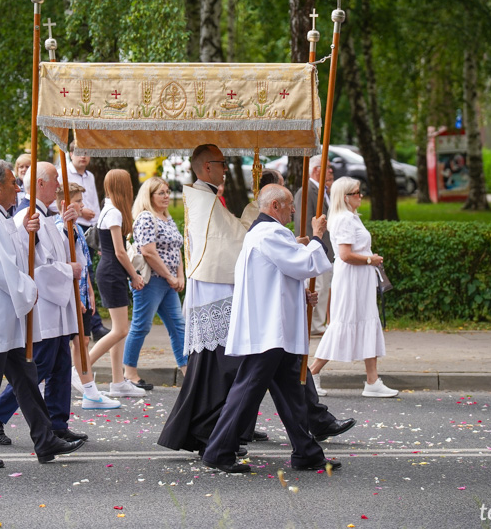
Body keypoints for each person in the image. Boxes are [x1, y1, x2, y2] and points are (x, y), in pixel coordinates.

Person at [159, 144, 354, 455]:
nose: (225, 168)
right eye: (221, 163)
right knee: (247, 387)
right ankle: (220, 445)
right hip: (241, 306)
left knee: (276, 383)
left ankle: (304, 445)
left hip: (261, 314)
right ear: (206, 167)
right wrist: (312, 239)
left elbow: (264, 259)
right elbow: (244, 243)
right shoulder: (248, 223)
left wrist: (295, 257)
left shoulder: (217, 204)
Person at [0, 159, 83, 469]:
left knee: (26, 378)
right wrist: (29, 289)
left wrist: (25, 232)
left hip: (5, 316)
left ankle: (44, 437)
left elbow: (12, 255)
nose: (18, 189)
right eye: (14, 184)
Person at [202, 184, 337, 474]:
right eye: (288, 205)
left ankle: (306, 452)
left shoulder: (263, 234)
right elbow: (303, 263)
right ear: (274, 205)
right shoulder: (271, 233)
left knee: (292, 393)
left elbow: (275, 277)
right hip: (268, 331)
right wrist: (317, 236)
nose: (292, 210)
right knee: (248, 390)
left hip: (273, 329)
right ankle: (218, 451)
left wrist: (300, 294)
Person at [0, 162, 89, 446]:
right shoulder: (27, 218)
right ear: (40, 184)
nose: (59, 185)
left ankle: (58, 422)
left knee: (59, 364)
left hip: (58, 305)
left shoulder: (47, 216)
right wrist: (70, 271)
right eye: (55, 179)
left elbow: (63, 253)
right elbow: (36, 268)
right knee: (41, 366)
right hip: (43, 306)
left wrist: (68, 225)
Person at [309, 177, 398, 398]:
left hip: (357, 279)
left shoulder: (348, 217)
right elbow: (345, 254)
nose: (360, 195)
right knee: (343, 323)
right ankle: (311, 374)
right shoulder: (346, 219)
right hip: (352, 279)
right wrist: (371, 260)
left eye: (359, 191)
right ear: (345, 196)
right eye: (356, 192)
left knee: (364, 321)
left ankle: (372, 380)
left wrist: (369, 261)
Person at [59, 183, 121, 410]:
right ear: (65, 203)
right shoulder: (60, 228)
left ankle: (89, 391)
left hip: (81, 295)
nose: (82, 206)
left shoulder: (74, 227)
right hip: (68, 297)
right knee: (73, 344)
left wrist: (90, 293)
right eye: (78, 201)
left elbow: (83, 266)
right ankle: (88, 391)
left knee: (82, 342)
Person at [86, 169, 147, 398]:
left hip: (110, 271)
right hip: (113, 272)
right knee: (121, 329)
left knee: (118, 330)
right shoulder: (114, 213)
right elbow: (120, 252)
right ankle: (82, 369)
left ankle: (118, 382)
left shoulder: (108, 210)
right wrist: (134, 275)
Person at [123, 177, 187, 388]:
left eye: (168, 192)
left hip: (168, 282)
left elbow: (176, 248)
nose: (167, 196)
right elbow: (148, 252)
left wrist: (180, 275)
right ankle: (129, 373)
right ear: (149, 196)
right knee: (141, 325)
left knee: (178, 325)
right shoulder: (146, 218)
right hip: (152, 281)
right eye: (161, 193)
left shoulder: (166, 218)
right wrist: (170, 276)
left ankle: (188, 371)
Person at [59, 149, 107, 339]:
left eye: (87, 152)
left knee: (87, 272)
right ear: (70, 154)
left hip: (87, 227)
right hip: (73, 222)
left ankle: (91, 322)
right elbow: (60, 202)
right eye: (78, 152)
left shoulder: (90, 176)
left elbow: (93, 202)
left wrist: (98, 237)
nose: (83, 156)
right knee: (78, 272)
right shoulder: (64, 173)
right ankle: (90, 324)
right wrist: (82, 209)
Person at [294, 155, 334, 338]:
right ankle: (315, 325)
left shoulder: (323, 191)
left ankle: (319, 323)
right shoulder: (306, 191)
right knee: (318, 285)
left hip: (324, 249)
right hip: (315, 248)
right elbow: (305, 222)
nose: (331, 171)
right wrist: (311, 247)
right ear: (317, 170)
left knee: (324, 286)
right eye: (328, 168)